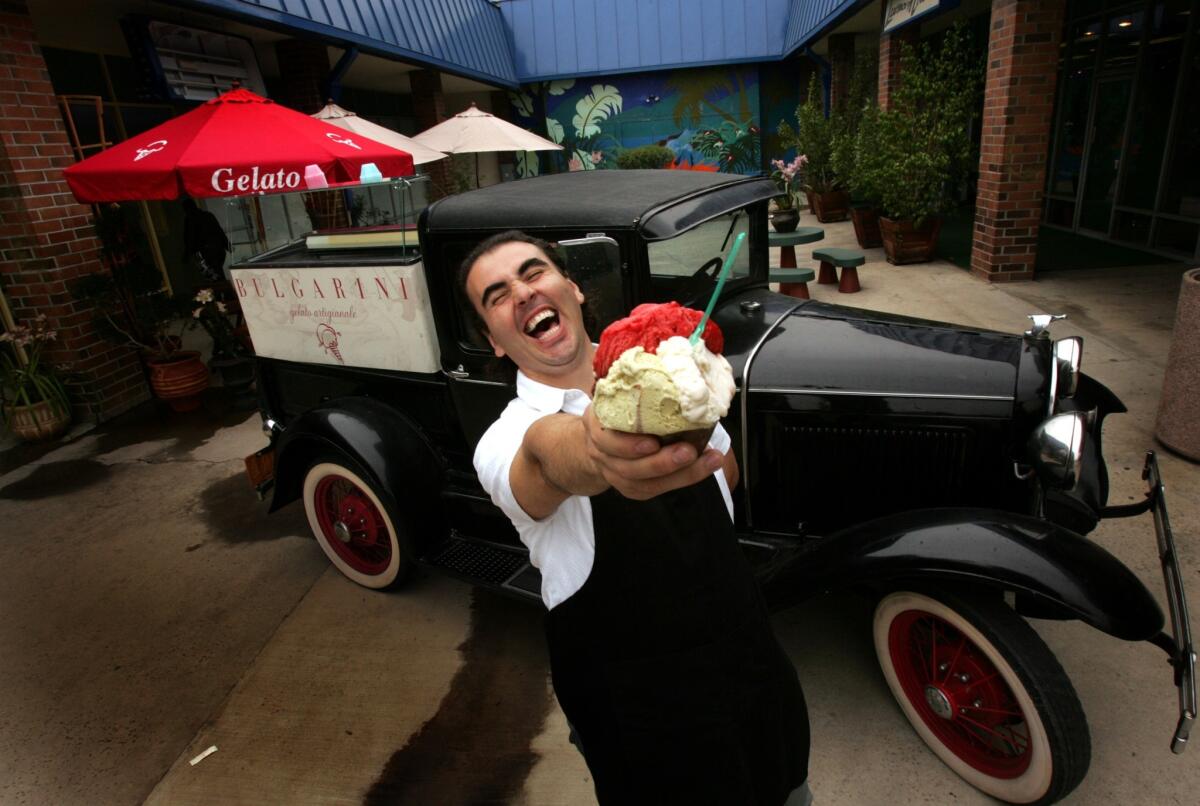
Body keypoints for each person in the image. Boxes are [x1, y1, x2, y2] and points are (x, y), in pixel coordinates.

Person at [461, 230, 811, 806]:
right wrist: (598, 448)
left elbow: (724, 476)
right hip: (646, 728)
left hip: (751, 674)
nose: (522, 294)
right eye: (496, 295)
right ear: (493, 340)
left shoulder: (671, 373)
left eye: (533, 272)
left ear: (571, 288)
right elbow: (547, 461)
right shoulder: (506, 439)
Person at [182, 197, 231, 283]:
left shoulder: (190, 220)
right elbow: (218, 230)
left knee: (213, 276)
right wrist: (227, 245)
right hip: (217, 249)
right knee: (217, 273)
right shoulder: (208, 215)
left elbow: (189, 238)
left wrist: (188, 254)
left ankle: (223, 291)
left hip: (206, 252)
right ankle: (224, 290)